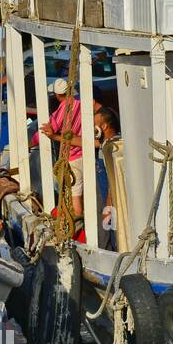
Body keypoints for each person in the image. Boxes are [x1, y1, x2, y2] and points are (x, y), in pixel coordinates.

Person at [31, 77, 84, 217]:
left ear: (57, 95)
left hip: (73, 157)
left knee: (75, 198)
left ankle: (77, 229)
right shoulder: (81, 104)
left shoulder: (64, 109)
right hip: (86, 154)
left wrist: (29, 145)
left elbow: (46, 130)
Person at [94, 106, 120, 250]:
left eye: (94, 125)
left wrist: (109, 207)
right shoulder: (104, 144)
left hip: (111, 200)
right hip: (105, 196)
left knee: (111, 228)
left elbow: (113, 178)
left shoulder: (112, 147)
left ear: (103, 126)